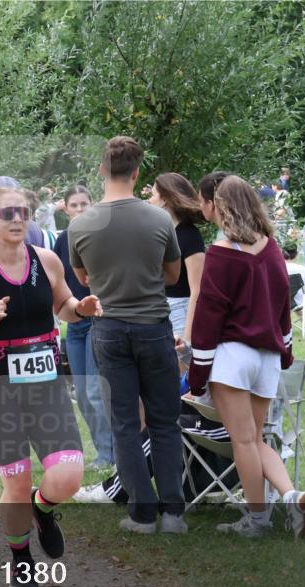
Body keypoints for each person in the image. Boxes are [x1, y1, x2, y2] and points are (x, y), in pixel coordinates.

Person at [0, 186, 101, 587]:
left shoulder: (48, 261)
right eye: (6, 213)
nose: (17, 219)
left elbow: (65, 305)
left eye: (23, 212)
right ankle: (20, 556)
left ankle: (42, 508)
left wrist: (80, 308)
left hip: (45, 386)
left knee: (68, 476)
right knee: (15, 484)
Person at [67, 136, 187, 535]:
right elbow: (172, 275)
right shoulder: (159, 220)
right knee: (165, 421)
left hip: (110, 328)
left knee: (123, 423)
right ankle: (173, 513)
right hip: (154, 326)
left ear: (102, 170)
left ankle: (141, 513)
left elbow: (84, 279)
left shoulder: (81, 223)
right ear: (137, 173)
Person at [186, 174, 305, 539]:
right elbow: (283, 306)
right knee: (257, 439)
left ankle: (258, 520)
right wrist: (286, 349)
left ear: (222, 206)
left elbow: (210, 316)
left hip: (233, 356)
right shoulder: (271, 247)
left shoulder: (221, 253)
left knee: (243, 441)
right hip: (268, 357)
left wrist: (197, 374)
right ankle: (291, 497)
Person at [52, 185, 115, 469]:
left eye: (84, 204)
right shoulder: (62, 240)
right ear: (65, 209)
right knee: (81, 392)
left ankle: (109, 455)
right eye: (74, 205)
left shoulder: (102, 237)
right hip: (74, 323)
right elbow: (57, 281)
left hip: (98, 321)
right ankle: (103, 451)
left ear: (93, 206)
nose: (79, 209)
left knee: (93, 390)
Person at [146, 172, 206, 370]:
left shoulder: (189, 236)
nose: (149, 198)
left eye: (153, 194)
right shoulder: (163, 232)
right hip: (162, 310)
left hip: (181, 311)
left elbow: (197, 289)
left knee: (178, 377)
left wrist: (188, 337)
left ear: (164, 199)